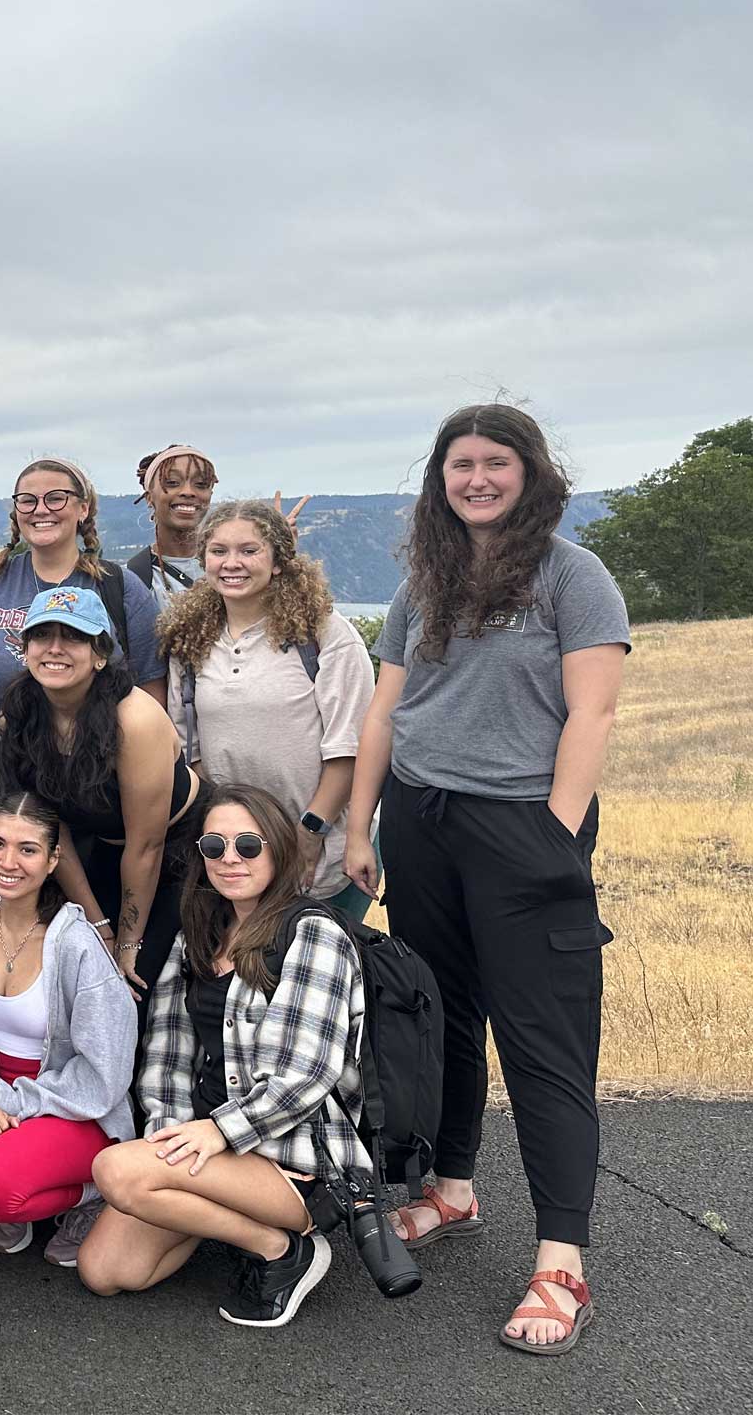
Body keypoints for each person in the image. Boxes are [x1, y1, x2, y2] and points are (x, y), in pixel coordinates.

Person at [345, 403, 628, 1356]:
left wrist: (552, 834)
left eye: (494, 463)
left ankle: (562, 1263)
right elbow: (388, 710)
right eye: (460, 464)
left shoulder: (571, 576)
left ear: (529, 473)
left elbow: (591, 714)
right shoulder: (424, 581)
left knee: (543, 1041)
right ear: (440, 479)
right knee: (444, 1016)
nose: (476, 478)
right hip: (421, 822)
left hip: (521, 828)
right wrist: (361, 826)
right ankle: (452, 1190)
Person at [79, 784, 369, 1330]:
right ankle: (257, 1236)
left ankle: (285, 1250)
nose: (230, 858)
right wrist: (168, 1137)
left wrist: (217, 1134)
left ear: (279, 849)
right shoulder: (199, 936)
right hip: (212, 1149)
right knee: (107, 1270)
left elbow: (309, 1073)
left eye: (248, 845)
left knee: (117, 1171)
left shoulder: (312, 933)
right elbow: (166, 1051)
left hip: (296, 1159)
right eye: (214, 847)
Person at [0, 792, 137, 1260]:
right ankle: (11, 1186)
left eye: (28, 849)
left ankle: (93, 1195)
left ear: (54, 860)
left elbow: (105, 1072)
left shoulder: (76, 944)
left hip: (74, 1104)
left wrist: (17, 1102)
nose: (8, 862)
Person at [156, 500, 377, 918]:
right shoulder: (189, 641)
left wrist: (310, 832)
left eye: (249, 550)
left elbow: (351, 745)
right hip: (232, 858)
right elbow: (190, 750)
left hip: (320, 854)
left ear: (278, 561)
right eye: (218, 551)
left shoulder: (324, 633)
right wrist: (228, 835)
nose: (231, 563)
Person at [0, 586, 208, 993]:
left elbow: (148, 846)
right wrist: (98, 925)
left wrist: (126, 943)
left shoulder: (134, 720)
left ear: (100, 655)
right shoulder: (19, 716)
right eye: (42, 635)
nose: (55, 648)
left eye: (74, 636)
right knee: (82, 965)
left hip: (179, 847)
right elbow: (51, 829)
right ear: (25, 648)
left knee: (136, 980)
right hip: (105, 846)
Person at [0, 457, 167, 715]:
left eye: (56, 498)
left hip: (91, 751)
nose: (41, 509)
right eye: (28, 500)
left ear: (83, 509)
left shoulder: (118, 587)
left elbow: (151, 700)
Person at [127, 444, 218, 609]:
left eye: (201, 484)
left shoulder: (229, 567)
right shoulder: (131, 580)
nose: (188, 492)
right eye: (173, 482)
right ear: (149, 497)